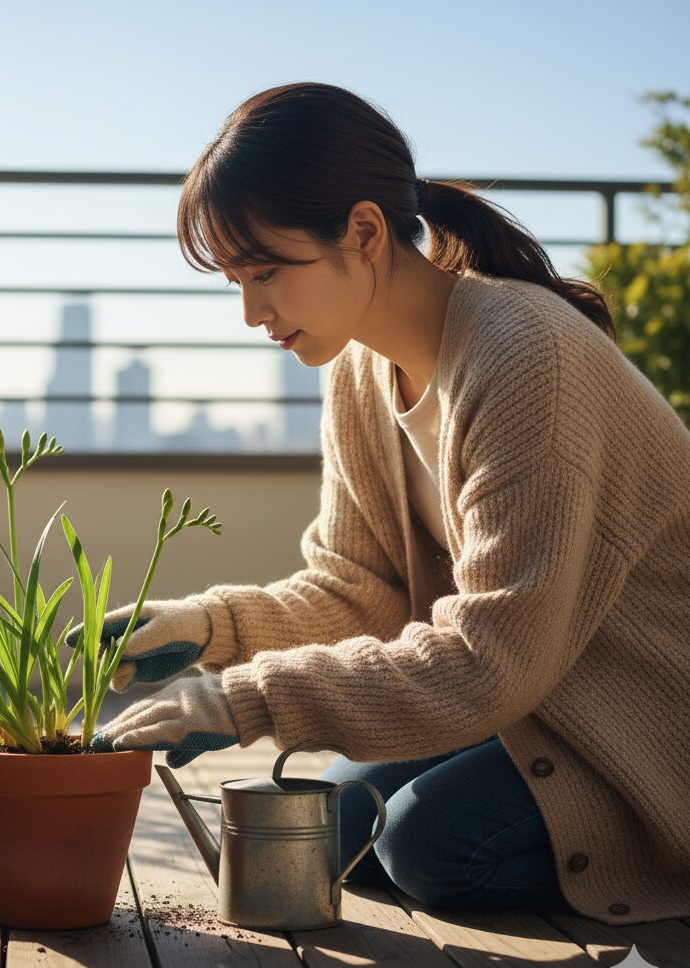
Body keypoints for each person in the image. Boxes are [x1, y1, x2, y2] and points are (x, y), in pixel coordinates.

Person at [83, 82, 690, 925]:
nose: (252, 312)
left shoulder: (528, 361)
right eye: (235, 280)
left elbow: (489, 660)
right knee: (333, 827)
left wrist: (244, 698)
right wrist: (206, 628)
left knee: (426, 845)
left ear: (364, 232)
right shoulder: (360, 373)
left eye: (265, 273)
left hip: (645, 733)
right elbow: (358, 591)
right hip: (532, 703)